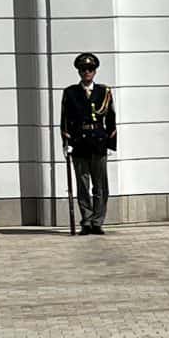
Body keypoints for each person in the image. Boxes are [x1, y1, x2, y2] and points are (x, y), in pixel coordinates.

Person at [60, 52, 117, 235]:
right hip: (79, 143)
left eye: (90, 69)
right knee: (83, 185)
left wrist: (111, 144)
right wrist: (66, 142)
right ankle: (86, 220)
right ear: (79, 71)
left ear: (95, 71)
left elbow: (111, 118)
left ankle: (97, 221)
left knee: (100, 186)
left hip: (98, 142)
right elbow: (65, 119)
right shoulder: (70, 92)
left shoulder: (104, 92)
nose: (87, 72)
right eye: (83, 69)